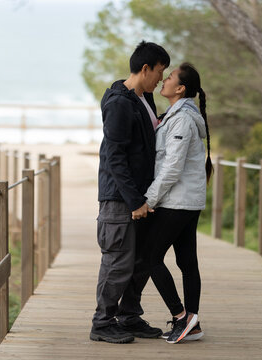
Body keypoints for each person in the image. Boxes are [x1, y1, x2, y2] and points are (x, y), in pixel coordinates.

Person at [90, 41, 170, 344]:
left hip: (140, 196)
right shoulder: (119, 104)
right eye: (160, 72)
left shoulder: (142, 97)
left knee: (140, 261)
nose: (161, 79)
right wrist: (134, 200)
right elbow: (115, 157)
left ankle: (129, 317)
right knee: (118, 262)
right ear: (145, 68)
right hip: (119, 198)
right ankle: (102, 322)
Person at [144, 63, 213, 344]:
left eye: (169, 77)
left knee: (149, 257)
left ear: (181, 88)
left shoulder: (182, 119)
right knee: (186, 261)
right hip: (185, 200)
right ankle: (192, 323)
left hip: (178, 200)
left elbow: (172, 166)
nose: (164, 79)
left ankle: (182, 315)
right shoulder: (177, 115)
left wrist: (149, 199)